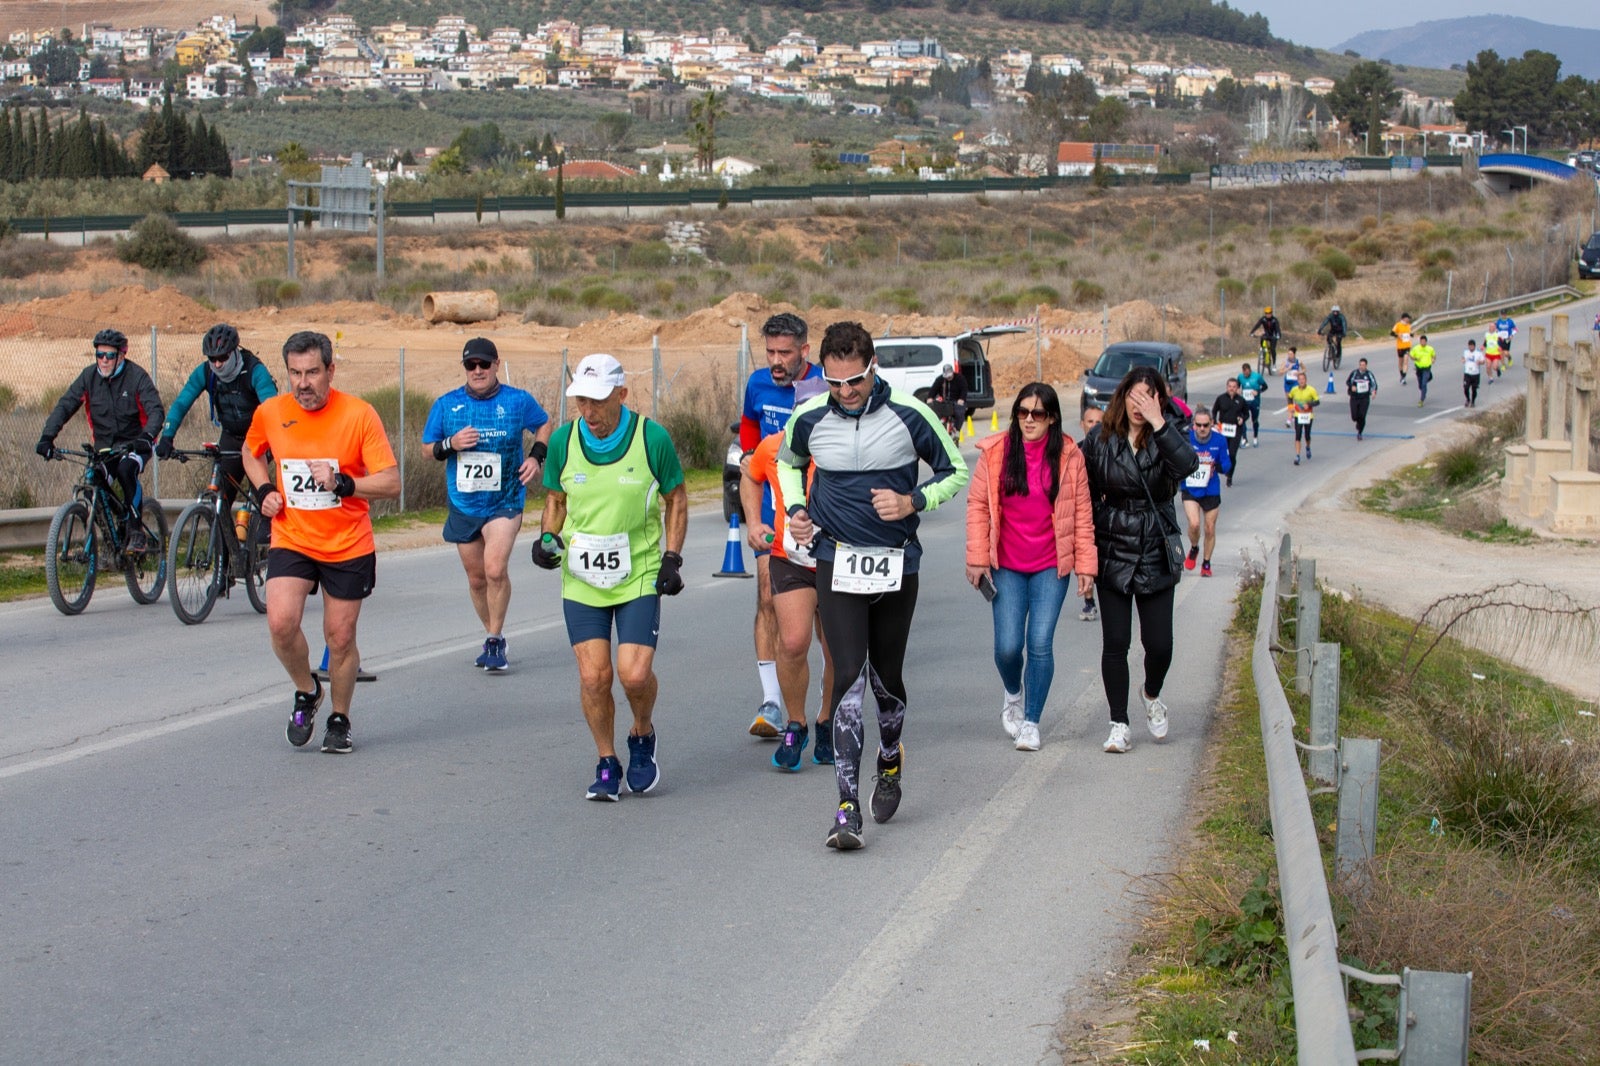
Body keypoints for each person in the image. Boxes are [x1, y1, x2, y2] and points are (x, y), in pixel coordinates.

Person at [778, 321, 969, 849]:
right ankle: (846, 808)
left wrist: (914, 501)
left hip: (895, 562)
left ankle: (889, 760)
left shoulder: (910, 413)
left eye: (855, 381)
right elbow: (788, 464)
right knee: (848, 677)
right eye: (834, 382)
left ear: (873, 368)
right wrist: (796, 508)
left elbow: (955, 471)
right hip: (836, 559)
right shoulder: (809, 416)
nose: (845, 392)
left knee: (886, 679)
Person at [532, 353, 687, 801]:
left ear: (622, 394)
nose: (589, 411)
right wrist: (546, 538)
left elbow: (677, 498)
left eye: (598, 400)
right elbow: (556, 500)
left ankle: (642, 732)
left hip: (638, 572)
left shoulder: (651, 438)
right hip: (582, 578)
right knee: (594, 678)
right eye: (581, 400)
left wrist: (672, 557)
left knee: (634, 676)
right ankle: (606, 761)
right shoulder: (563, 441)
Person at [242, 331, 400, 754]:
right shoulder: (271, 412)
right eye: (295, 373)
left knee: (340, 637)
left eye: (312, 372)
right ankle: (308, 690)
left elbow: (391, 482)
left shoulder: (359, 415)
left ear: (330, 370)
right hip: (293, 536)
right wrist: (263, 490)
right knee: (280, 623)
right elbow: (250, 452)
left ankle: (339, 718)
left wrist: (344, 483)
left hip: (347, 543)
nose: (303, 383)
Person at [965, 384, 1097, 752]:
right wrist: (977, 557)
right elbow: (978, 506)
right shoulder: (996, 452)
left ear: (1051, 418)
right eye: (1022, 412)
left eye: (1037, 414)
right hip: (1006, 565)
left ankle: (1032, 722)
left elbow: (1082, 514)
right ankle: (1013, 692)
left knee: (1039, 643)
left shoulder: (1070, 456)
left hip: (1051, 566)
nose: (1028, 420)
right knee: (1008, 647)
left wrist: (1086, 566)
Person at [1081, 366, 1198, 754]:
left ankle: (1151, 694)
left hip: (1155, 547)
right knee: (1116, 642)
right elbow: (1080, 488)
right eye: (1134, 395)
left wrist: (1159, 423)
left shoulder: (1167, 435)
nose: (1139, 403)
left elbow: (1188, 466)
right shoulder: (1100, 439)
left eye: (1148, 396)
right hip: (1113, 545)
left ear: (1159, 400)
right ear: (1122, 396)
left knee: (1159, 644)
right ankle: (1119, 723)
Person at [421, 337, 552, 672]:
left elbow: (543, 423)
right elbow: (427, 449)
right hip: (464, 503)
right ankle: (494, 633)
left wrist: (536, 457)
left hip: (505, 500)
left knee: (494, 569)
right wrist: (451, 443)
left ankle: (493, 640)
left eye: (484, 364)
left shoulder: (517, 400)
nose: (477, 370)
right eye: (471, 365)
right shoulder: (447, 404)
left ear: (496, 365)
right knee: (477, 579)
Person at [741, 377, 836, 771]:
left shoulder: (847, 448)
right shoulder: (774, 446)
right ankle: (796, 724)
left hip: (838, 561)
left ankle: (827, 720)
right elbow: (750, 475)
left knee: (836, 650)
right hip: (790, 558)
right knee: (793, 642)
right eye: (804, 413)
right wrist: (753, 521)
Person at [738, 312, 822, 739]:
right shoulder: (757, 383)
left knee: (824, 619)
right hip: (775, 510)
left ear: (804, 351)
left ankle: (829, 702)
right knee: (767, 596)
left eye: (785, 353)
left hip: (822, 513)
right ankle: (772, 700)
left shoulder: (824, 383)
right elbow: (750, 431)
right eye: (769, 351)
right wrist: (749, 461)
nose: (776, 361)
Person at [38, 328, 166, 555]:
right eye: (100, 355)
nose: (104, 360)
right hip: (105, 446)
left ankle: (136, 530)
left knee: (126, 470)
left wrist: (147, 437)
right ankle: (111, 540)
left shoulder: (137, 377)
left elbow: (155, 410)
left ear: (121, 356)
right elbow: (65, 405)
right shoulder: (88, 377)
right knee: (92, 485)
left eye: (109, 355)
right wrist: (47, 437)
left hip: (136, 443)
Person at [156, 323, 278, 512]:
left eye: (223, 358)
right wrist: (167, 436)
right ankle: (221, 531)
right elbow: (181, 404)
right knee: (219, 501)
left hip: (257, 439)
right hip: (231, 436)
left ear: (234, 352)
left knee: (263, 499)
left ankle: (264, 527)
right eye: (212, 359)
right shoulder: (205, 372)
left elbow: (272, 410)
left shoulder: (254, 370)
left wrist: (275, 442)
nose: (218, 364)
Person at [1180, 410, 1231, 578]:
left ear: (1211, 424)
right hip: (1191, 487)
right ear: (1193, 424)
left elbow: (1227, 464)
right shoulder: (1186, 438)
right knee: (1194, 524)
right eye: (1199, 425)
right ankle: (1194, 547)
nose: (1202, 428)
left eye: (1206, 425)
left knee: (1209, 528)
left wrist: (1216, 466)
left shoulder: (1219, 440)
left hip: (1211, 489)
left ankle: (1206, 563)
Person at [1077, 406, 1104, 621]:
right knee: (1085, 554)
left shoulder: (1112, 450)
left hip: (1105, 510)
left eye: (1098, 423)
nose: (1093, 426)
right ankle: (1089, 601)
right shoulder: (1074, 452)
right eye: (1090, 422)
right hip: (1082, 511)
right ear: (1082, 424)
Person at [1210, 378, 1249, 486]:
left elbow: (1246, 414)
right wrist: (1214, 422)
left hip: (1236, 431)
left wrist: (1242, 419)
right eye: (1230, 386)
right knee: (1221, 453)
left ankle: (1230, 475)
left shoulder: (1241, 400)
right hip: (1223, 430)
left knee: (1232, 454)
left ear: (1237, 388)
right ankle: (1219, 468)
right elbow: (1214, 411)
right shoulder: (1221, 398)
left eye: (1234, 387)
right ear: (1227, 387)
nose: (1231, 389)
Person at [1282, 369, 1320, 465]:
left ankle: (1308, 447)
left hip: (1308, 415)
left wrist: (1309, 404)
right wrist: (1291, 407)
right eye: (1300, 379)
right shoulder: (1294, 389)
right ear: (1297, 381)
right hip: (1298, 415)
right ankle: (1297, 455)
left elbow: (1317, 401)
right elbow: (1290, 397)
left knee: (1307, 435)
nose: (1301, 381)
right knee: (1298, 435)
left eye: (1303, 379)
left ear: (1306, 380)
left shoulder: (1311, 390)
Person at [928, 363, 969, 438]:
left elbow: (964, 389)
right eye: (947, 376)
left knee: (960, 414)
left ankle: (956, 430)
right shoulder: (940, 379)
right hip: (944, 402)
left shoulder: (960, 378)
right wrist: (930, 397)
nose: (948, 377)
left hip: (956, 402)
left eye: (949, 376)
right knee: (934, 411)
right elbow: (933, 389)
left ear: (952, 372)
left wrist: (961, 399)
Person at [1346, 358, 1378, 440]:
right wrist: (1352, 386)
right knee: (1354, 416)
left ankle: (1360, 432)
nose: (1362, 366)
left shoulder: (1369, 374)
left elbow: (1374, 384)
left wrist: (1374, 392)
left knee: (1362, 416)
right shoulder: (1354, 373)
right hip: (1354, 397)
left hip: (1364, 398)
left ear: (1366, 366)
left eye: (1363, 365)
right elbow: (1348, 381)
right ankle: (1358, 422)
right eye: (1360, 365)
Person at [1237, 361, 1267, 447]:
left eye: (1247, 373)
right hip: (1245, 402)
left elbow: (1265, 386)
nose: (1246, 375)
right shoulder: (1240, 377)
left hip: (1255, 402)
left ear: (1250, 370)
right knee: (1242, 419)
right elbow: (1237, 386)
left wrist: (1258, 391)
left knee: (1255, 420)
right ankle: (1244, 438)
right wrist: (1238, 390)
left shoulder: (1257, 376)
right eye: (1244, 373)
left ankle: (1255, 437)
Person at [1249, 306, 1281, 374]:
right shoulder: (1263, 319)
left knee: (1272, 349)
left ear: (1271, 313)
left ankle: (1274, 364)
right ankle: (1262, 351)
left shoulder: (1274, 320)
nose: (1268, 315)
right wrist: (1252, 332)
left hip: (1273, 336)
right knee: (1262, 338)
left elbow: (1278, 328)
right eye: (1266, 313)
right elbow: (1257, 325)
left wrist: (1278, 335)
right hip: (1266, 334)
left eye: (1269, 313)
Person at [1410, 334, 1436, 407]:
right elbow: (1411, 356)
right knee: (1420, 385)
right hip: (1419, 369)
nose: (1423, 343)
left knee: (1424, 384)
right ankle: (1428, 379)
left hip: (1426, 368)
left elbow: (1434, 356)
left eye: (1424, 341)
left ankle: (1421, 400)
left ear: (1426, 342)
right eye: (1421, 341)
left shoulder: (1430, 349)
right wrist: (1415, 359)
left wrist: (1433, 359)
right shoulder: (1416, 348)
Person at [1390, 312, 1414, 385]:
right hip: (1400, 347)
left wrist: (1411, 334)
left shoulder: (1409, 326)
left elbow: (1410, 334)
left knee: (1406, 361)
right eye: (1408, 318)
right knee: (1401, 362)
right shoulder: (1398, 325)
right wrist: (1398, 335)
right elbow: (1392, 333)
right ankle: (1401, 375)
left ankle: (1403, 377)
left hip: (1407, 346)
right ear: (1404, 318)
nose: (1409, 319)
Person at [1281, 348, 1302, 428]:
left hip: (1295, 383)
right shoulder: (1285, 362)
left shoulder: (1298, 362)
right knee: (1289, 401)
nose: (1289, 355)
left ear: (1294, 354)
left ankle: (1290, 419)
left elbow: (1304, 369)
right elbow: (1280, 372)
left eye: (1291, 354)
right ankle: (1291, 416)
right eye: (1288, 354)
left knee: (1296, 400)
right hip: (1287, 383)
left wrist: (1299, 373)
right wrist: (1287, 369)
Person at [1462, 338, 1485, 409]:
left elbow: (1483, 361)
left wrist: (1480, 362)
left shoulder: (1478, 353)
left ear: (1474, 346)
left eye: (1472, 346)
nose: (1471, 347)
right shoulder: (1466, 352)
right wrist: (1463, 360)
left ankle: (1473, 401)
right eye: (1469, 346)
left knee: (1474, 389)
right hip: (1467, 373)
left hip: (1475, 374)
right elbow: (1463, 358)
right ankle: (1468, 399)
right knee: (1466, 388)